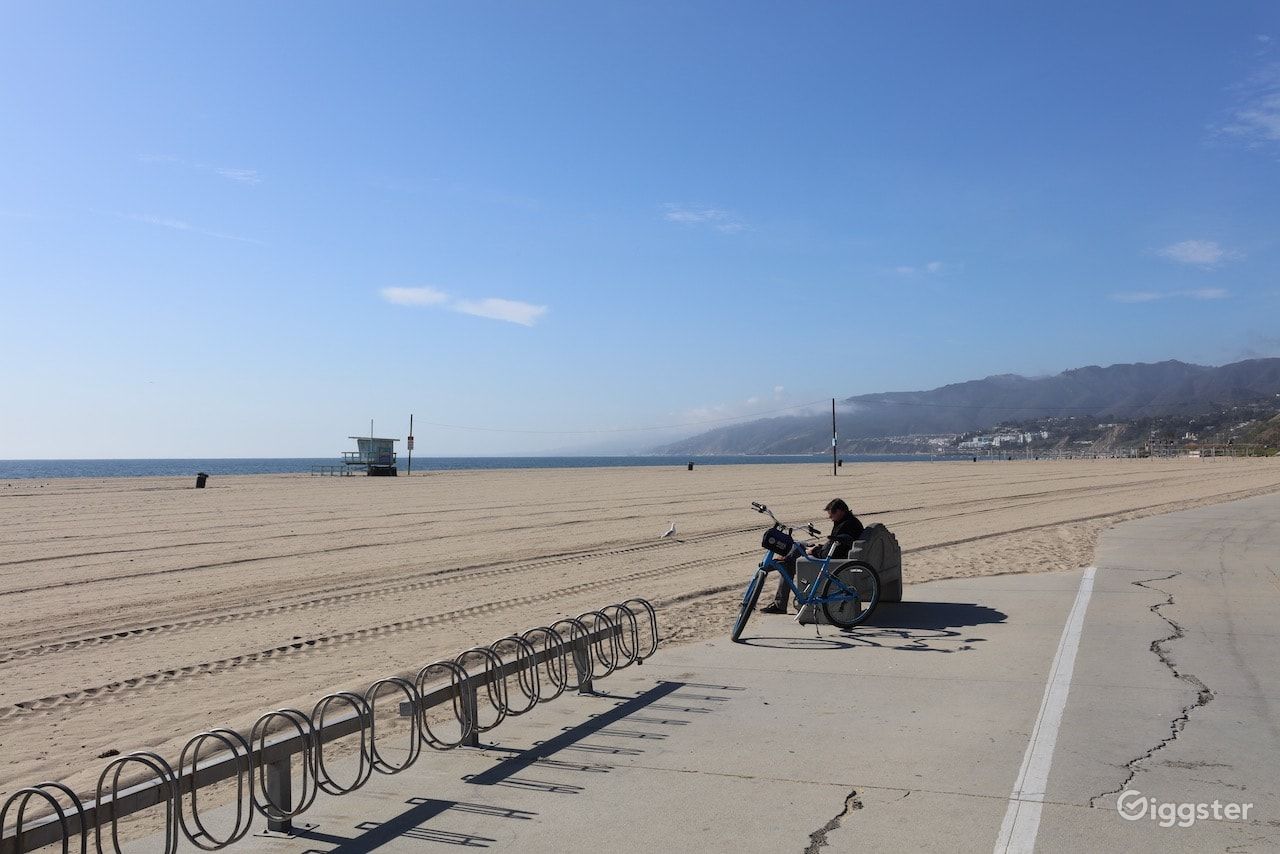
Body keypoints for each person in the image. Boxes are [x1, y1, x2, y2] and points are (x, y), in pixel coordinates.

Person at [759, 498, 864, 614]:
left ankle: (774, 568)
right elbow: (836, 545)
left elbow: (834, 551)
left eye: (832, 513)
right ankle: (783, 562)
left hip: (834, 560)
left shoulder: (846, 525)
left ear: (840, 511)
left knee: (791, 560)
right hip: (834, 553)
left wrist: (814, 551)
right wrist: (817, 548)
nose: (830, 517)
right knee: (799, 546)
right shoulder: (848, 521)